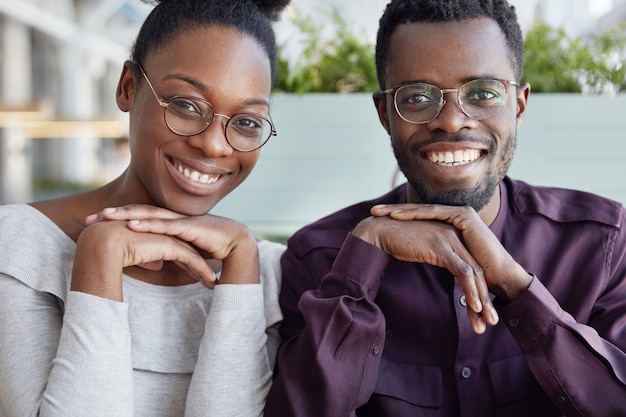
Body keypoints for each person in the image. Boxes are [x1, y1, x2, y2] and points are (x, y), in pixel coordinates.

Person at [264, 0, 626, 416]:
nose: (452, 121)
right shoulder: (319, 259)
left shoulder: (602, 243)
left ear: (520, 106)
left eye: (484, 93)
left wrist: (518, 288)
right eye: (417, 97)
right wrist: (362, 258)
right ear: (385, 114)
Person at [0, 0, 290, 416]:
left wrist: (242, 254)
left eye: (246, 122)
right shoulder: (19, 245)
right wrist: (100, 256)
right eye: (187, 105)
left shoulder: (265, 269)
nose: (213, 144)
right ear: (128, 88)